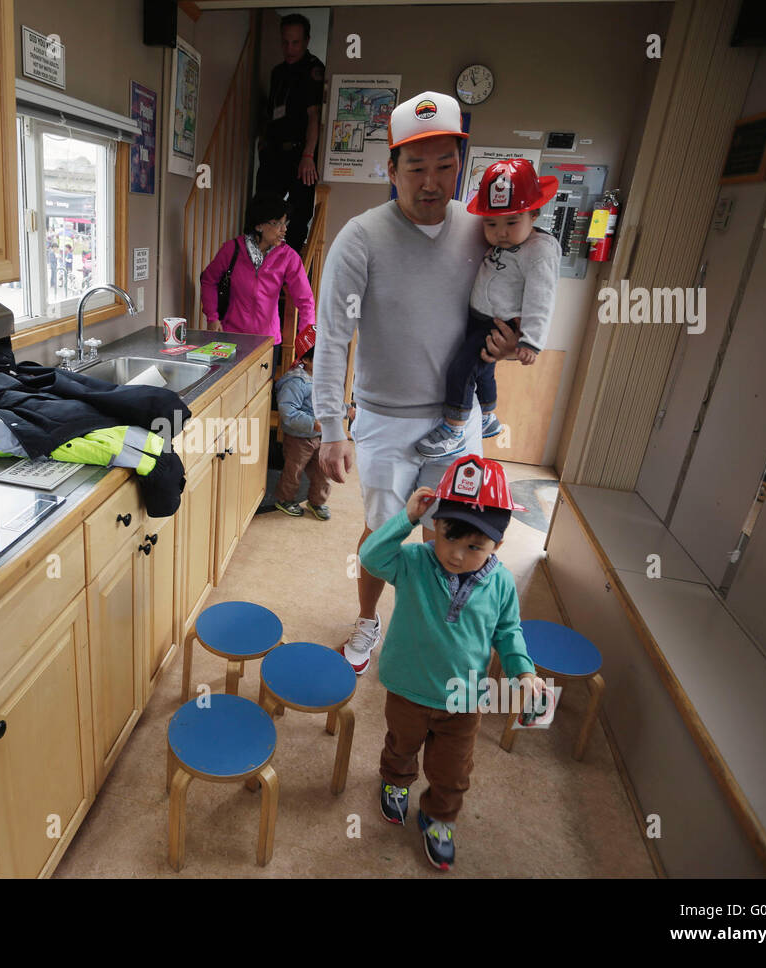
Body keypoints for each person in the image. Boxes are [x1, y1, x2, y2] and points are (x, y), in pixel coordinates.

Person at [313, 90, 524, 675]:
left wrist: (511, 344)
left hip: (457, 422)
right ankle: (367, 620)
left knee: (450, 534)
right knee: (383, 535)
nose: (431, 182)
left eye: (444, 166)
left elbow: (505, 305)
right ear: (391, 169)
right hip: (384, 418)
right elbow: (333, 338)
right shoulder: (360, 238)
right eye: (415, 167)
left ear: (462, 163)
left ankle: (431, 628)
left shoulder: (482, 230)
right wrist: (332, 428)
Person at [358, 454, 545, 871]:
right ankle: (395, 783)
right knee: (401, 746)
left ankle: (440, 818)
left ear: (498, 543)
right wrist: (404, 520)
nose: (457, 555)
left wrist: (525, 672)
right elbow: (371, 557)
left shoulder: (501, 582)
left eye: (474, 546)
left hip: (464, 700)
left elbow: (508, 632)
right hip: (407, 688)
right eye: (447, 537)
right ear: (435, 526)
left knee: (453, 771)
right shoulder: (414, 562)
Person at [415, 158, 562, 457]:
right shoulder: (504, 244)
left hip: (498, 323)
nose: (501, 232)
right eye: (491, 224)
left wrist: (531, 341)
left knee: (463, 370)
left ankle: (454, 428)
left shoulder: (539, 251)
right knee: (483, 372)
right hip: (478, 318)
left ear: (533, 214)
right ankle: (487, 417)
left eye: (511, 222)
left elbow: (541, 297)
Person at [200, 193, 315, 357]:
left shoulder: (289, 257)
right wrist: (212, 318)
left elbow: (306, 301)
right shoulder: (232, 249)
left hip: (268, 342)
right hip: (230, 337)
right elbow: (208, 280)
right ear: (259, 225)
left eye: (285, 223)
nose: (284, 229)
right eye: (277, 223)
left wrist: (307, 342)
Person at [255, 13, 324, 258]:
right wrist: (263, 143)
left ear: (306, 40)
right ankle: (258, 261)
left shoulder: (313, 70)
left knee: (298, 213)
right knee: (262, 207)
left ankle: (286, 265)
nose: (290, 48)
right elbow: (271, 112)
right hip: (274, 151)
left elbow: (314, 116)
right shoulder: (278, 72)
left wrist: (308, 154)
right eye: (285, 42)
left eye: (295, 43)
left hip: (299, 153)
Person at [272, 325, 354, 519]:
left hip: (320, 438)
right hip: (299, 439)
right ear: (307, 360)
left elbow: (329, 405)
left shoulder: (323, 380)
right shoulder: (295, 383)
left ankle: (317, 502)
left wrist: (346, 410)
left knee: (323, 471)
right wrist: (313, 423)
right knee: (294, 471)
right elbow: (288, 413)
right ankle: (285, 499)